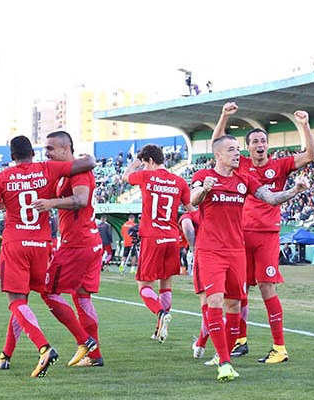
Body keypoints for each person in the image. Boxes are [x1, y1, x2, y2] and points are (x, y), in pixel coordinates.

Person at [0, 135, 96, 378]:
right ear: (33, 152)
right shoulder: (47, 168)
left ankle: (44, 347)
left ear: (12, 156)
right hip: (41, 244)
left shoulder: (2, 177)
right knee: (45, 295)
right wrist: (86, 157)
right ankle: (7, 356)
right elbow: (88, 164)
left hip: (15, 243)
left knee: (17, 301)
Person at [191, 134, 309, 381]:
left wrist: (295, 190)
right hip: (210, 250)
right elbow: (193, 200)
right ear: (218, 155)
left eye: (237, 149)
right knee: (214, 301)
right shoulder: (203, 177)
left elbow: (271, 198)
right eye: (232, 150)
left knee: (234, 305)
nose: (237, 154)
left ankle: (225, 356)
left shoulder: (245, 179)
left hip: (237, 251)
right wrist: (204, 190)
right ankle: (223, 362)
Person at [211, 102, 314, 364]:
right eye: (255, 141)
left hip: (267, 235)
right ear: (248, 147)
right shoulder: (241, 164)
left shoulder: (280, 166)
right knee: (237, 291)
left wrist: (304, 126)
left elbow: (310, 155)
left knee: (267, 288)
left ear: (267, 145)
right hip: (239, 235)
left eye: (263, 141)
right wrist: (224, 116)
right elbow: (217, 144)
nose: (260, 144)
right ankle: (240, 340)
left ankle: (279, 348)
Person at [31, 130, 103, 367]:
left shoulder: (79, 170)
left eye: (50, 148)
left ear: (65, 148)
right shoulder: (65, 173)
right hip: (89, 243)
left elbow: (81, 200)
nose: (46, 152)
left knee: (48, 291)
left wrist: (51, 203)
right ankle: (94, 356)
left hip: (77, 245)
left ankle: (85, 341)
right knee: (82, 297)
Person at [121, 144, 194, 343]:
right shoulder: (180, 182)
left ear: (151, 161)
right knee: (166, 284)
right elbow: (191, 209)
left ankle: (160, 314)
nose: (143, 167)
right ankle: (159, 330)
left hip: (152, 236)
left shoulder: (146, 176)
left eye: (145, 164)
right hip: (172, 237)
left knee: (144, 285)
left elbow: (125, 176)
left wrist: (136, 161)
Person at [180, 210, 209, 359]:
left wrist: (194, 246)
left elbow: (187, 226)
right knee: (232, 303)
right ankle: (239, 341)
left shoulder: (194, 214)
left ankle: (203, 346)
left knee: (208, 304)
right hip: (233, 253)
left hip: (206, 255)